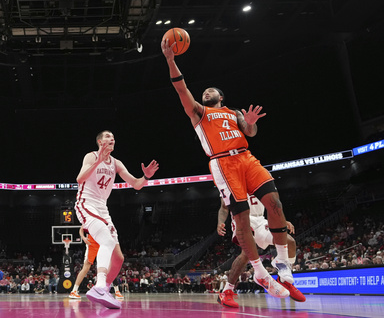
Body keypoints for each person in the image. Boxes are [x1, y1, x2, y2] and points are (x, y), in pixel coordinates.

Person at [161, 39, 292, 299]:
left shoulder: (233, 113)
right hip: (222, 162)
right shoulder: (199, 112)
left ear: (221, 97)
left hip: (246, 157)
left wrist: (251, 123)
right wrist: (170, 59)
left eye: (211, 91)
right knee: (241, 220)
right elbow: (180, 88)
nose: (206, 92)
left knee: (275, 203)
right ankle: (259, 271)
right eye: (204, 91)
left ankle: (282, 262)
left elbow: (251, 132)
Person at [75, 130, 159, 309]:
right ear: (99, 141)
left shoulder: (116, 163)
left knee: (119, 258)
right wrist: (97, 162)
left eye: (113, 137)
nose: (111, 139)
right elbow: (79, 178)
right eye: (107, 136)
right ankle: (98, 286)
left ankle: (103, 290)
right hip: (86, 204)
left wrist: (146, 177)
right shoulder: (90, 156)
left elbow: (136, 184)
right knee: (106, 241)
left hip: (102, 209)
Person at [217, 196, 306, 308]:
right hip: (242, 218)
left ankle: (284, 280)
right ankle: (226, 291)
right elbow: (224, 207)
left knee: (290, 242)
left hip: (260, 220)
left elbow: (271, 203)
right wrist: (220, 222)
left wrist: (280, 220)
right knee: (246, 254)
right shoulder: (231, 181)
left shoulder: (259, 179)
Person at [69, 226, 124, 300]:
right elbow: (81, 229)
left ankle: (117, 291)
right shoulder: (90, 218)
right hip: (91, 243)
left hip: (102, 243)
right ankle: (74, 291)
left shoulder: (103, 219)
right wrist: (84, 238)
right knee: (86, 268)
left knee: (109, 266)